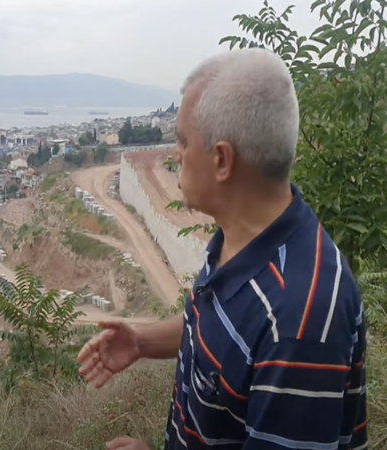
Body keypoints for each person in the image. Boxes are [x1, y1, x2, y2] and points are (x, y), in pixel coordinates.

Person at [78, 48, 367, 450]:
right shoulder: (241, 240)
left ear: (221, 161)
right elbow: (220, 330)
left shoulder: (300, 320)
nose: (174, 155)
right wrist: (142, 343)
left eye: (181, 141)